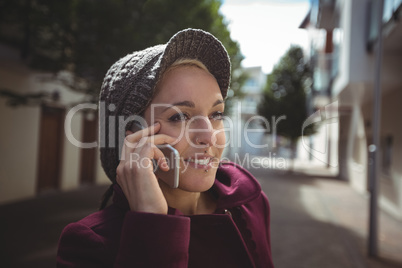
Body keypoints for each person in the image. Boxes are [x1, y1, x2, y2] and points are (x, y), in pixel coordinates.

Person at [57, 28, 274, 268]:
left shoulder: (250, 204)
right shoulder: (89, 244)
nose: (208, 137)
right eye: (179, 116)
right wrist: (151, 224)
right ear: (131, 139)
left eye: (216, 113)